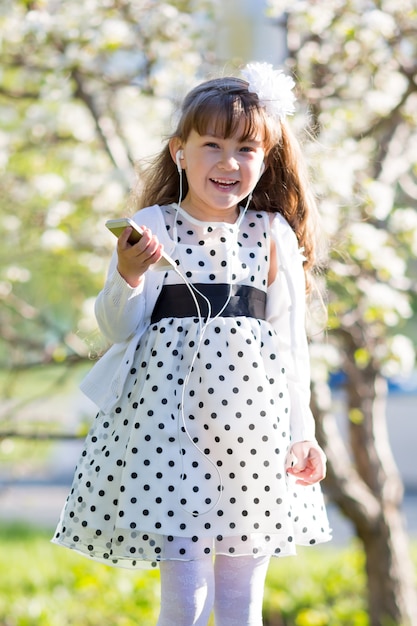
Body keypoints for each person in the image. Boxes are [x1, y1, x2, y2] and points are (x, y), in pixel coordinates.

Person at [53, 62, 332, 626]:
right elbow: (118, 327)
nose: (229, 163)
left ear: (267, 158)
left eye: (246, 149)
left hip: (251, 430)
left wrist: (303, 434)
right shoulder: (153, 223)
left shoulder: (272, 233)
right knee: (185, 595)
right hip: (170, 430)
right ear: (181, 151)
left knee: (240, 597)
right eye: (212, 145)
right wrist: (128, 274)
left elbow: (290, 347)